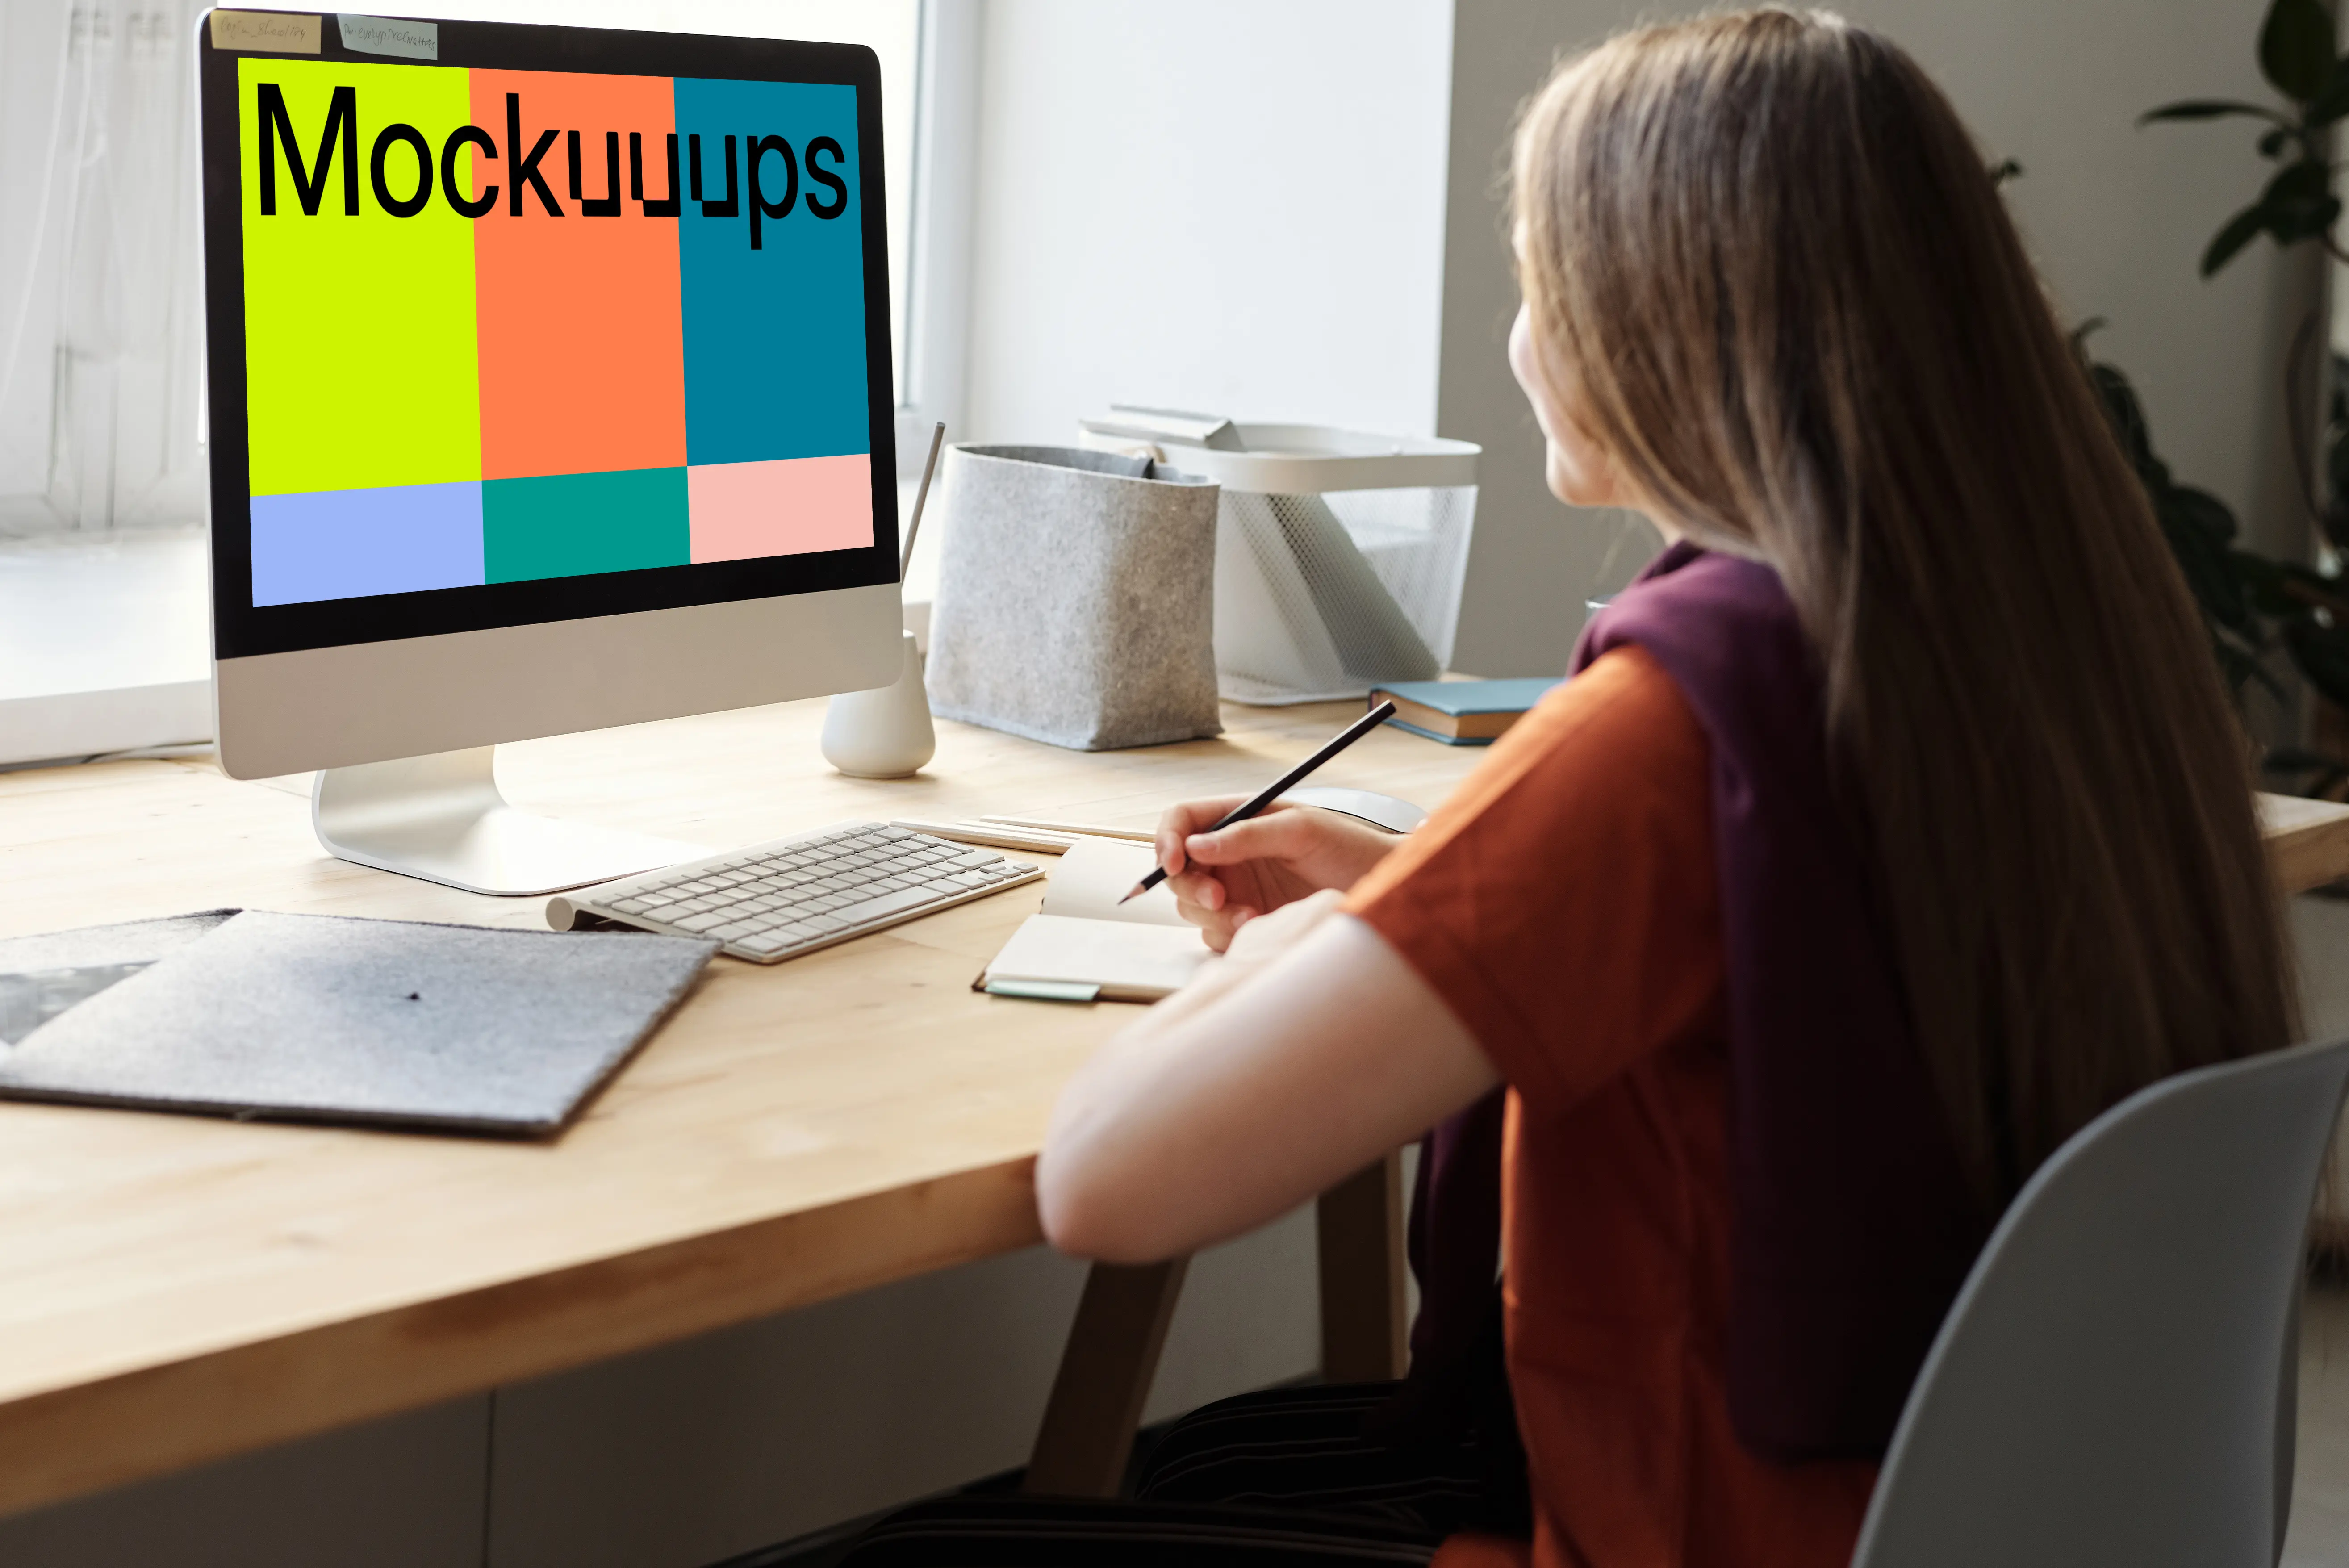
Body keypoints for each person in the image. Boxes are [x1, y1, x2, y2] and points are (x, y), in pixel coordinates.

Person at [840, 11, 2295, 1568]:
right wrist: (1431, 910)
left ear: (1662, 322)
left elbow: (1104, 1181)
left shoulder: (1688, 721)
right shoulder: (2056, 647)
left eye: (1545, 284)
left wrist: (1316, 952)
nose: (1522, 337)